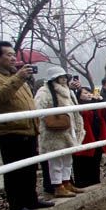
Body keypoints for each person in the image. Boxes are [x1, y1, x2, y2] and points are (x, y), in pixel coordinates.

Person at [0, 41, 54, 210]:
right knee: (15, 171)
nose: (13, 58)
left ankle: (31, 199)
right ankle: (17, 207)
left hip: (28, 128)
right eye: (8, 55)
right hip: (10, 130)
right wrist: (19, 77)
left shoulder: (14, 75)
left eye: (14, 54)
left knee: (29, 168)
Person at [34, 66, 85, 198]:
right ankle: (57, 185)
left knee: (68, 158)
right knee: (56, 159)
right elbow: (38, 109)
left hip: (69, 127)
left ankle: (66, 182)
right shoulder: (44, 91)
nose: (63, 80)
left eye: (64, 77)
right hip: (54, 131)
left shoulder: (69, 91)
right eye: (60, 77)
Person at [72, 86, 106, 188]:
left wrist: (101, 101)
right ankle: (82, 184)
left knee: (95, 161)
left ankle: (95, 182)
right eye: (85, 93)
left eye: (89, 93)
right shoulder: (77, 106)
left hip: (96, 137)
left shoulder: (95, 104)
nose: (88, 95)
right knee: (82, 162)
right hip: (83, 138)